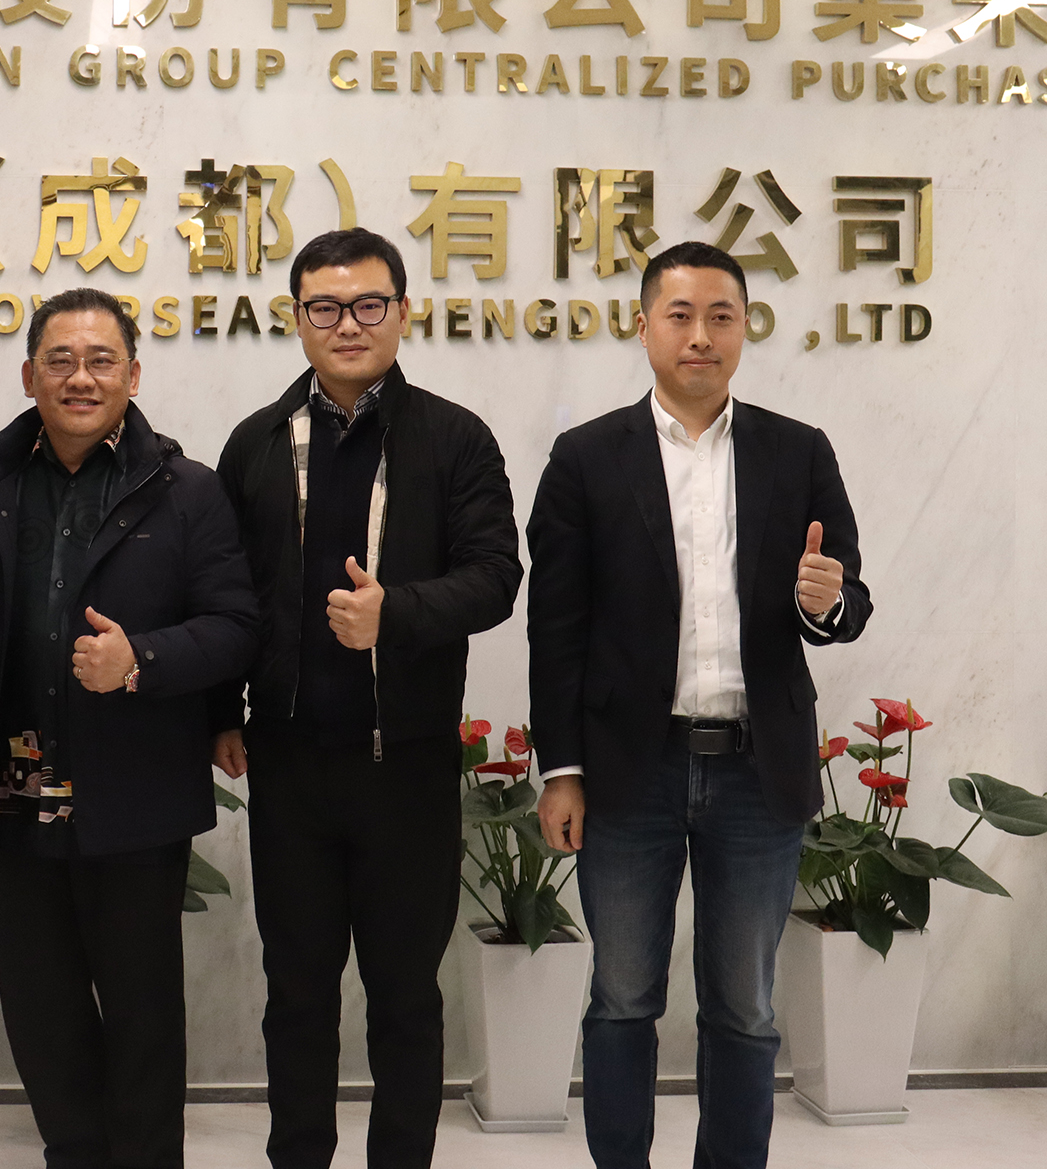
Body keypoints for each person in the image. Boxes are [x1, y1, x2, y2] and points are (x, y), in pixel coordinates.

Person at [528, 239, 872, 1169]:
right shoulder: (586, 458)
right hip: (627, 774)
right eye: (679, 315)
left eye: (721, 316)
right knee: (622, 997)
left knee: (745, 1006)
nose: (700, 336)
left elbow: (848, 601)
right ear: (643, 327)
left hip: (758, 773)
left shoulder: (797, 451)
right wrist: (561, 770)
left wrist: (824, 601)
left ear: (746, 328)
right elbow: (555, 629)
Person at [212, 227, 523, 1169]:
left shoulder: (455, 438)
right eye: (325, 306)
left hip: (409, 767)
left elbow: (496, 578)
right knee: (296, 995)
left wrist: (397, 614)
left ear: (402, 311)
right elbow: (223, 593)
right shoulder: (256, 443)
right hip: (290, 764)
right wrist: (222, 709)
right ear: (297, 317)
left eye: (367, 304)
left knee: (405, 999)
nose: (347, 324)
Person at [0, 288, 258, 1169]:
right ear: (29, 375)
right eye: (61, 361)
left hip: (133, 788)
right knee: (40, 1008)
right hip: (15, 787)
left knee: (143, 1010)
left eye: (101, 360)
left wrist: (139, 659)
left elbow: (236, 626)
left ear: (133, 375)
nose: (81, 378)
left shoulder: (187, 491)